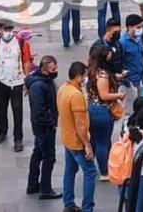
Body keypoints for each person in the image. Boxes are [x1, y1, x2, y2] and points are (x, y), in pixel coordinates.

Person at [0, 23, 34, 153]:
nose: (8, 32)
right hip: (1, 80)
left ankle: (18, 139)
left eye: (10, 29)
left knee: (17, 111)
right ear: (0, 29)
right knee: (2, 108)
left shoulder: (21, 42)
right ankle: (2, 131)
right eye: (6, 29)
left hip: (17, 82)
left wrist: (27, 81)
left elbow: (27, 61)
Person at [58, 61, 97, 212]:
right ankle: (88, 208)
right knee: (90, 172)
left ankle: (68, 203)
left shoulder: (63, 88)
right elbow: (80, 125)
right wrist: (87, 145)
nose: (86, 79)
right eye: (85, 76)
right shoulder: (76, 95)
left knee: (70, 170)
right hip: (77, 142)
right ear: (79, 77)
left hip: (67, 138)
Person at [26, 55, 62, 200]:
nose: (55, 71)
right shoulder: (39, 86)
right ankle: (45, 189)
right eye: (53, 69)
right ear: (44, 70)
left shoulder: (43, 82)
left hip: (42, 125)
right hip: (44, 127)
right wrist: (50, 123)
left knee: (38, 153)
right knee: (49, 157)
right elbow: (39, 110)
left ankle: (33, 184)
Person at [87, 44, 125, 181]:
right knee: (102, 142)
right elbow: (104, 95)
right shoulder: (102, 75)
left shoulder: (92, 70)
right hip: (101, 110)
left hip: (92, 108)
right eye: (109, 54)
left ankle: (96, 165)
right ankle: (104, 171)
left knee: (96, 140)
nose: (111, 56)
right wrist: (118, 96)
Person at [119, 14, 143, 119]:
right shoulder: (122, 43)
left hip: (140, 79)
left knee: (141, 109)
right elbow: (118, 63)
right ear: (130, 27)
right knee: (128, 113)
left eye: (141, 27)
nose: (141, 29)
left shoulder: (138, 39)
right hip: (128, 83)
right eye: (138, 27)